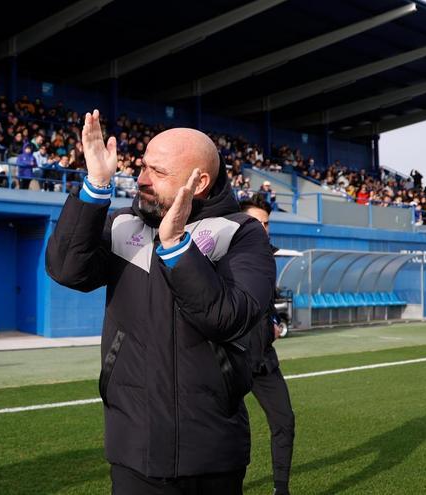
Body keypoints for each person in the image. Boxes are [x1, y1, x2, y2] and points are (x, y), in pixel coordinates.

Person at [46, 110, 275, 494]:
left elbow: (226, 318)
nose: (141, 179)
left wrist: (176, 247)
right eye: (142, 167)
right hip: (134, 447)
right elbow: (67, 270)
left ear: (199, 182)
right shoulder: (122, 224)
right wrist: (96, 186)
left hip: (213, 451)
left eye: (158, 172)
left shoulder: (241, 233)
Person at [239, 196, 296, 495]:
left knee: (284, 421)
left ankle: (281, 490)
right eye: (255, 223)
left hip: (264, 358)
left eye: (266, 223)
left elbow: (268, 300)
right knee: (230, 431)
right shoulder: (224, 254)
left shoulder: (268, 256)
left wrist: (273, 320)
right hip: (232, 357)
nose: (262, 229)